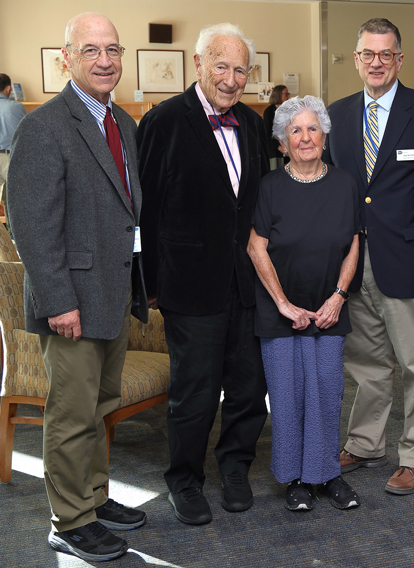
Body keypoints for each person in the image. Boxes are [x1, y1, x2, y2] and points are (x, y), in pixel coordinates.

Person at [7, 12, 148, 562]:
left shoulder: (124, 124)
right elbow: (32, 226)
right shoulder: (43, 128)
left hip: (114, 293)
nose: (105, 60)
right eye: (91, 50)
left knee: (99, 404)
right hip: (71, 302)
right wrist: (59, 302)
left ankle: (92, 497)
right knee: (70, 414)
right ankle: (68, 521)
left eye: (112, 49)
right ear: (67, 57)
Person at [136, 22, 269, 526]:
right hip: (188, 282)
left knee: (248, 385)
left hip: (246, 282)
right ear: (198, 64)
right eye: (221, 66)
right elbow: (143, 210)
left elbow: (255, 207)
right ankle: (184, 480)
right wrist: (147, 282)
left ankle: (235, 466)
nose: (231, 79)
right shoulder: (164, 121)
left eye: (240, 69)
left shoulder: (254, 125)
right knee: (194, 391)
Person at [324, 18, 414, 495]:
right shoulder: (335, 115)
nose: (376, 62)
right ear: (356, 58)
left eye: (386, 54)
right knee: (366, 363)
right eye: (368, 54)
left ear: (399, 59)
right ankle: (364, 443)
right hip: (353, 263)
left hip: (409, 260)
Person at [248, 95, 361, 512]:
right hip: (281, 312)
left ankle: (326, 472)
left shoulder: (346, 183)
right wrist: (282, 303)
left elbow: (353, 243)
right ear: (282, 143)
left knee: (327, 393)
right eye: (295, 131)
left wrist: (338, 297)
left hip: (329, 308)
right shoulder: (270, 185)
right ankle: (294, 479)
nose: (305, 137)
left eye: (312, 128)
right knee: (288, 393)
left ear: (325, 136)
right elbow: (256, 247)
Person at [0, 73, 26, 233]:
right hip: (8, 158)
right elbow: (26, 133)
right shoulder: (16, 106)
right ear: (8, 88)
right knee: (11, 198)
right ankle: (13, 235)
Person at [263, 84, 290, 170]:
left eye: (288, 94)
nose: (288, 96)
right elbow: (267, 134)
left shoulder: (289, 110)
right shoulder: (269, 112)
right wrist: (279, 147)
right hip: (275, 150)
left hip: (288, 148)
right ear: (278, 95)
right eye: (286, 94)